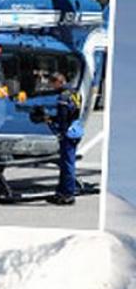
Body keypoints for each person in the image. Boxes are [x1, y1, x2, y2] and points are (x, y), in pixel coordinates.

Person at [45, 71, 84, 205]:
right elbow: (74, 113)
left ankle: (68, 194)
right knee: (66, 163)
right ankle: (62, 192)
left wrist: (58, 129)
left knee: (67, 164)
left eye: (52, 84)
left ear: (58, 82)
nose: (52, 87)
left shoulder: (63, 97)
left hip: (67, 133)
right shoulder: (75, 93)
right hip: (75, 130)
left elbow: (63, 118)